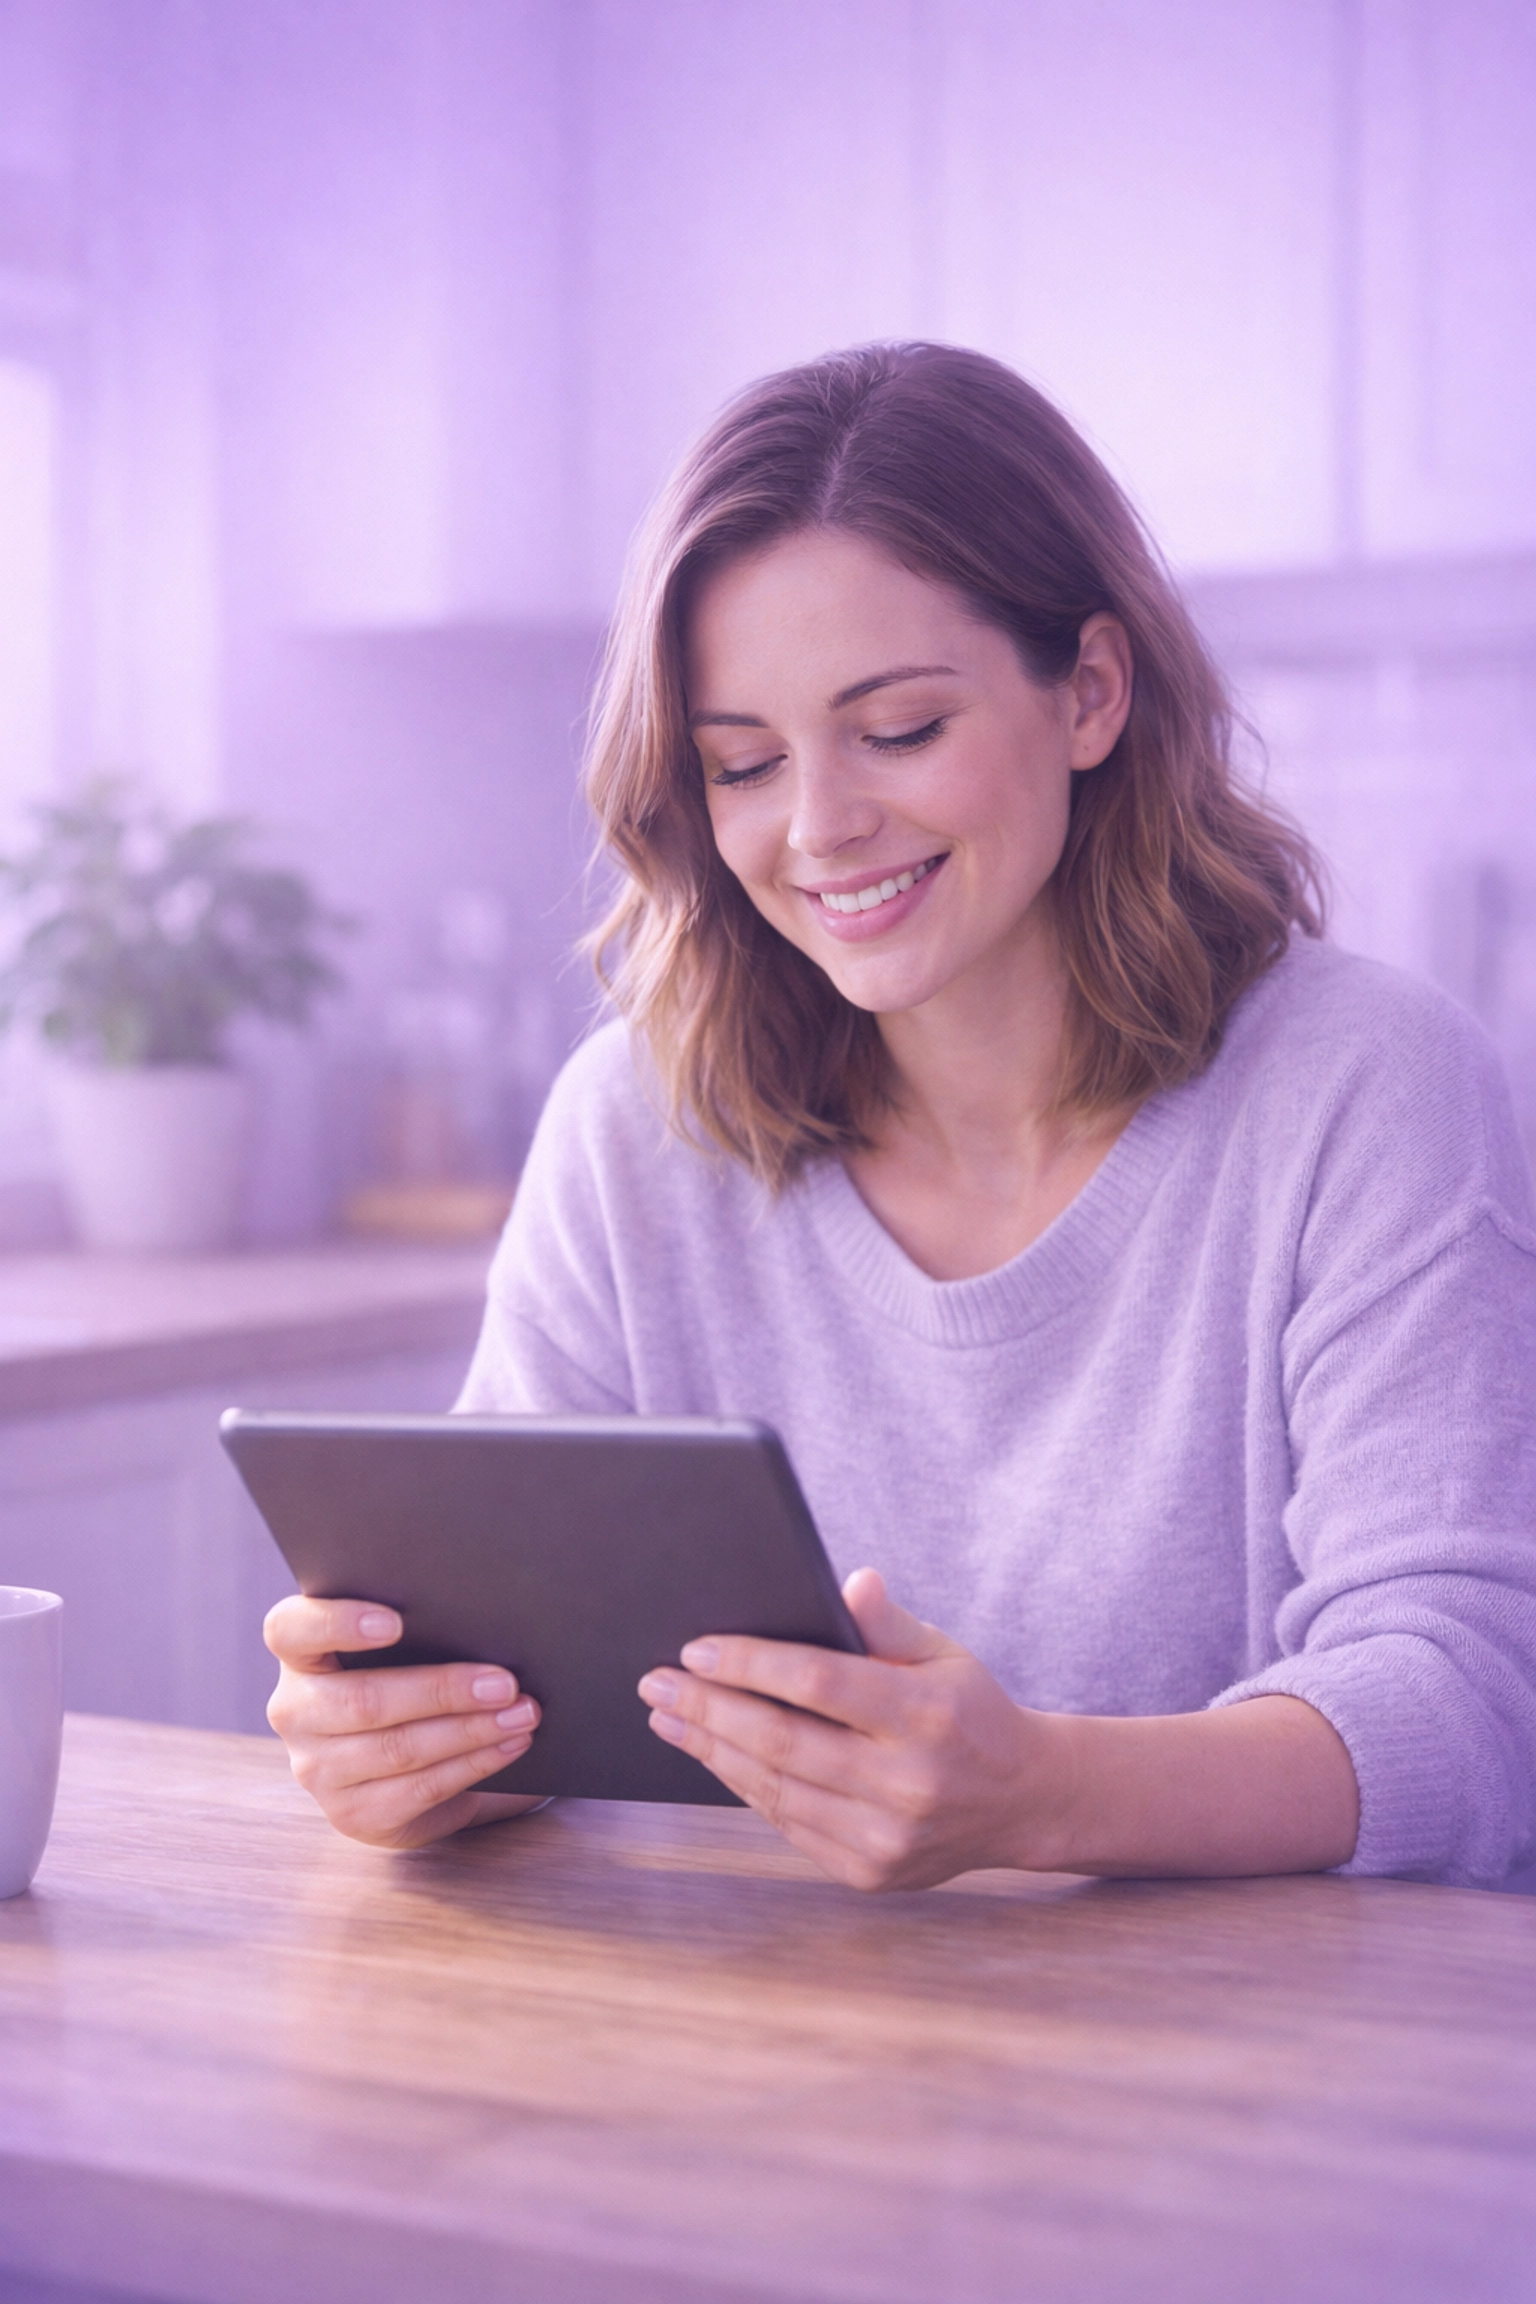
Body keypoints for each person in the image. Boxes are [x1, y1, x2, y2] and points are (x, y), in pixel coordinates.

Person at [266, 343, 1536, 1890]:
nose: (818, 829)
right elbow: (517, 1665)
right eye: (742, 762)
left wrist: (1047, 1794)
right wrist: (418, 1744)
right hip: (777, 2066)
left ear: (1089, 691)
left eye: (901, 730)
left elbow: (1469, 1710)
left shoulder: (1367, 1087)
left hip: (1270, 2085)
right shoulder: (634, 1128)